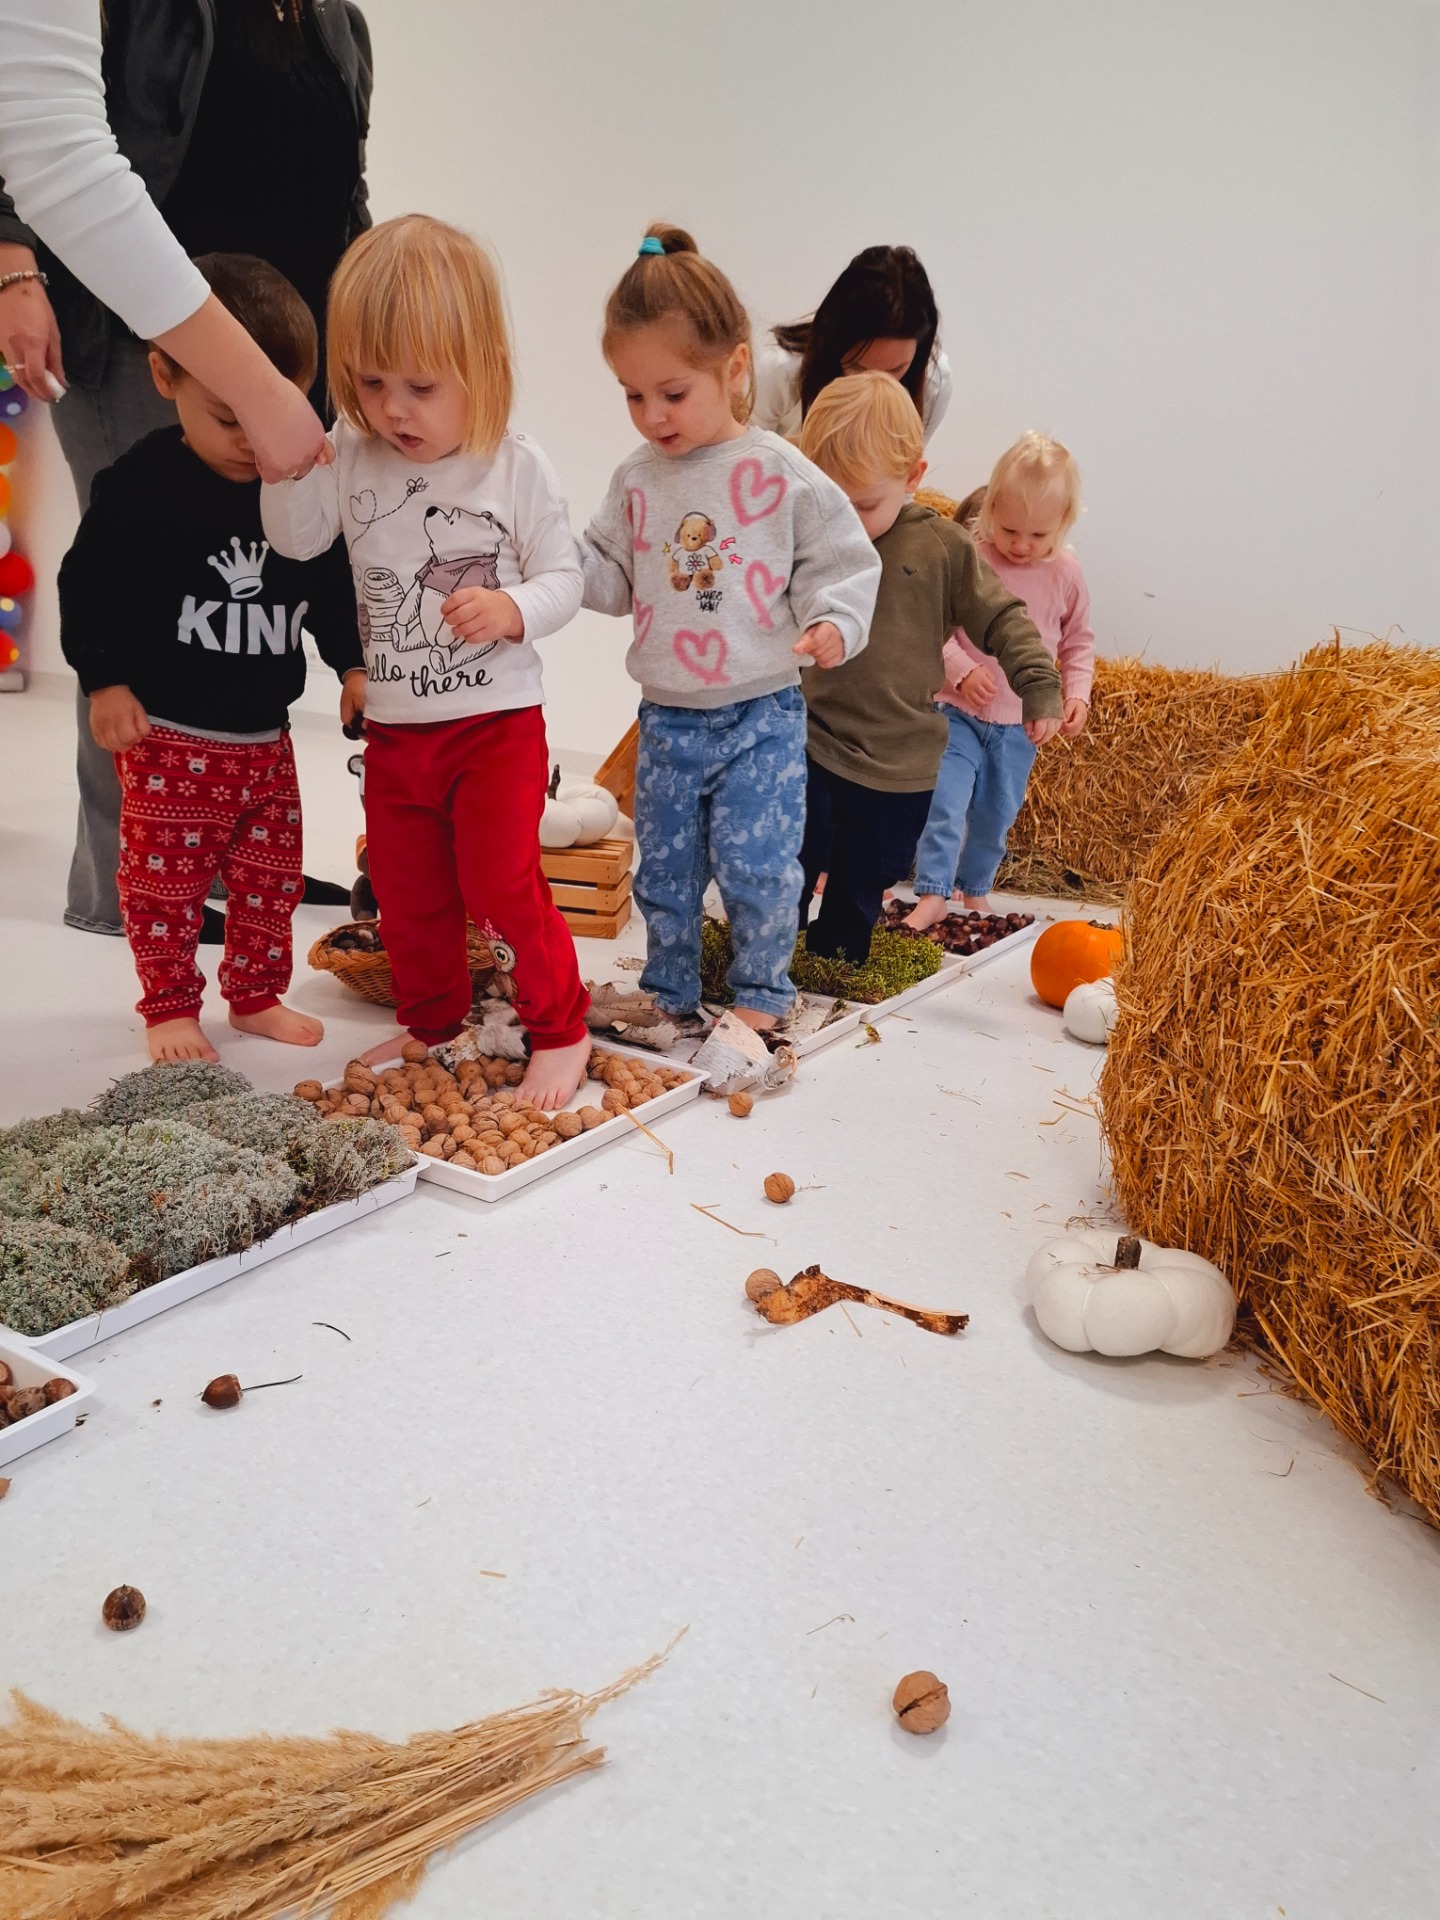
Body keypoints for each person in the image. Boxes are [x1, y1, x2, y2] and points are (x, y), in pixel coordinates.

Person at [0, 0, 372, 936]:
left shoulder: (335, 22)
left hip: (293, 365)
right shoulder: (141, 7)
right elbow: (43, 129)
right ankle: (127, 888)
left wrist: (356, 351)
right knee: (145, 596)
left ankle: (232, 863)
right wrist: (14, 268)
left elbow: (345, 196)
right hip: (152, 349)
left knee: (251, 609)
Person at [261, 215, 594, 1111]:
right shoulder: (353, 450)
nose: (394, 409)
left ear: (482, 367)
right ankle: (436, 1021)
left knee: (499, 887)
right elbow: (295, 541)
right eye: (371, 382)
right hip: (400, 732)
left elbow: (567, 578)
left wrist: (512, 609)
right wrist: (287, 459)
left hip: (495, 728)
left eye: (420, 385)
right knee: (406, 893)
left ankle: (562, 1026)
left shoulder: (514, 465)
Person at [58, 253, 365, 1064]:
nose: (253, 442)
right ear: (165, 375)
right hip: (169, 741)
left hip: (265, 742)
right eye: (230, 419)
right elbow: (88, 584)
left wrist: (352, 666)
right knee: (165, 886)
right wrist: (105, 680)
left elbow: (328, 582)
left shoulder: (291, 486)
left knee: (271, 881)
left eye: (274, 416)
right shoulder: (141, 486)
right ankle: (168, 1006)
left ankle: (255, 996)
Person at [580, 226, 881, 1033]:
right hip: (668, 717)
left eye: (673, 394)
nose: (652, 416)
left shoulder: (779, 471)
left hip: (761, 715)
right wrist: (553, 571)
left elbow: (842, 562)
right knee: (666, 869)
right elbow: (609, 573)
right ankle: (669, 990)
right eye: (632, 395)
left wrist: (834, 621)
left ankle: (761, 994)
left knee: (758, 865)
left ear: (735, 367)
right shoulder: (637, 479)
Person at [796, 374, 1062, 962]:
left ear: (913, 477)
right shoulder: (811, 536)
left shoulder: (942, 549)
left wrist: (1039, 683)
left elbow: (1004, 618)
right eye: (829, 500)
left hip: (896, 761)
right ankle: (766, 958)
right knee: (788, 860)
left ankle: (835, 959)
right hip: (809, 738)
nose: (845, 520)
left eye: (864, 505)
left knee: (861, 882)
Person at [907, 432, 1094, 926]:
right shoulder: (973, 557)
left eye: (1038, 535)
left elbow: (1077, 643)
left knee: (997, 813)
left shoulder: (1067, 574)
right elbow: (935, 628)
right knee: (946, 801)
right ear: (990, 508)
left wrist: (1076, 694)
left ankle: (974, 890)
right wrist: (962, 670)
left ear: (1063, 522)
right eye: (1009, 529)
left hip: (1018, 727)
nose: (1021, 545)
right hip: (958, 713)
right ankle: (933, 891)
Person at [754, 245, 953, 443]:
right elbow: (746, 455)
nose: (875, 385)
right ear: (834, 343)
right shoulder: (780, 371)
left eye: (895, 370)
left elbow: (907, 460)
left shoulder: (933, 382)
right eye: (858, 368)